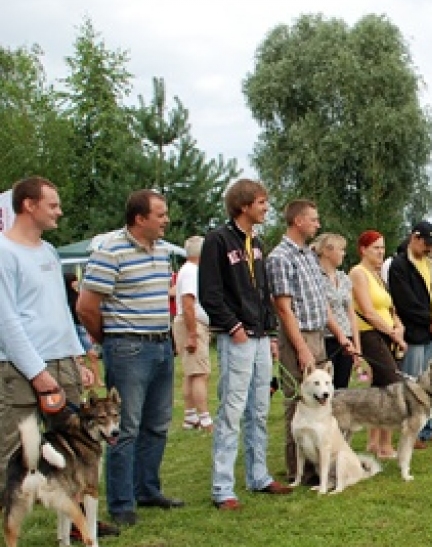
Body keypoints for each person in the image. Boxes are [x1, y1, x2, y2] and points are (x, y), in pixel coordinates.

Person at [0, 177, 109, 547]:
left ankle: (77, 525)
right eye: (53, 204)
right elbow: (7, 321)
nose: (59, 211)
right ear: (29, 206)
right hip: (20, 366)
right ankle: (7, 543)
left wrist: (76, 357)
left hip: (61, 361)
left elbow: (60, 310)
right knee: (14, 453)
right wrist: (38, 373)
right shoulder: (3, 251)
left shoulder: (46, 250)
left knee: (75, 447)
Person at [78, 189, 184, 526]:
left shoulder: (164, 251)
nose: (166, 220)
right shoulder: (110, 251)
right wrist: (107, 339)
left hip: (161, 344)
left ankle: (147, 489)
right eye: (160, 214)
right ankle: (122, 503)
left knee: (157, 423)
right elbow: (86, 306)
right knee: (124, 427)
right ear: (140, 218)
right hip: (128, 348)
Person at [198, 178, 292, 511]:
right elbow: (209, 292)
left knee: (260, 409)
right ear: (244, 205)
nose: (267, 208)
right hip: (236, 336)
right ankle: (223, 487)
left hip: (260, 336)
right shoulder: (218, 241)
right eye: (262, 202)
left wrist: (270, 332)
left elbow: (264, 291)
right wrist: (233, 325)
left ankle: (258, 475)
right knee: (232, 411)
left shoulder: (257, 243)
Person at [267, 199, 354, 484]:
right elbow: (283, 308)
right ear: (298, 221)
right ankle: (297, 471)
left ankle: (321, 464)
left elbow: (321, 302)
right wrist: (301, 348)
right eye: (313, 220)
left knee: (322, 399)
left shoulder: (308, 256)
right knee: (297, 403)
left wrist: (341, 335)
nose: (318, 225)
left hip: (318, 334)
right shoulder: (280, 257)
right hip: (297, 336)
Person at [388, 221, 432, 448]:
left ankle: (427, 428)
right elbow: (405, 302)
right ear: (415, 238)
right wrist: (429, 319)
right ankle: (410, 431)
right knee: (412, 384)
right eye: (427, 244)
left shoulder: (431, 266)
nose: (429, 249)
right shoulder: (400, 265)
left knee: (431, 383)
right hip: (414, 333)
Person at [350, 230, 406, 459]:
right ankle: (385, 444)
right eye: (376, 248)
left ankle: (376, 442)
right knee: (392, 386)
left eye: (383, 248)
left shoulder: (377, 275)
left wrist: (398, 325)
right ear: (363, 250)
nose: (381, 252)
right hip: (370, 333)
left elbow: (389, 307)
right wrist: (394, 335)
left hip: (385, 333)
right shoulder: (358, 273)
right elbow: (368, 311)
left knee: (380, 389)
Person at [171, 236, 213, 432]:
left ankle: (190, 416)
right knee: (200, 373)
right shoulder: (192, 272)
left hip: (190, 323)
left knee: (191, 371)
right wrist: (192, 334)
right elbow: (188, 303)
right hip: (192, 324)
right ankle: (204, 417)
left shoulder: (188, 270)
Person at [312, 233, 360, 389]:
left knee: (342, 386)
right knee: (325, 385)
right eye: (341, 249)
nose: (344, 253)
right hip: (327, 338)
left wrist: (356, 346)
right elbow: (326, 311)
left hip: (346, 339)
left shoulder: (344, 278)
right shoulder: (315, 277)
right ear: (327, 251)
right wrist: (340, 336)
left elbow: (351, 314)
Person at [64, 271, 101, 386]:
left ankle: (97, 379)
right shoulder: (64, 298)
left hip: (81, 327)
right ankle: (80, 380)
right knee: (76, 358)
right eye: (74, 280)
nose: (76, 282)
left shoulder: (79, 295)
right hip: (72, 329)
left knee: (92, 355)